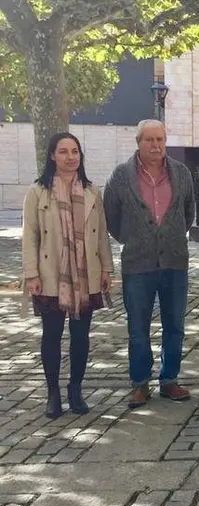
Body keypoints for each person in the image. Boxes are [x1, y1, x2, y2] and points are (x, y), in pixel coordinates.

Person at [103, 119, 195, 409]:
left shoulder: (181, 173)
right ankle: (140, 383)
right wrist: (135, 239)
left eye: (161, 140)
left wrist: (170, 237)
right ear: (138, 142)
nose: (156, 146)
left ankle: (169, 380)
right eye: (150, 140)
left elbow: (188, 212)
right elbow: (111, 219)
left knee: (175, 325)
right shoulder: (120, 176)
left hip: (174, 261)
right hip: (137, 264)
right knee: (138, 327)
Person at [21, 132, 114, 419]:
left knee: (80, 335)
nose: (70, 157)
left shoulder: (91, 191)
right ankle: (52, 393)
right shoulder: (38, 191)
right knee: (51, 334)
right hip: (51, 273)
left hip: (86, 273)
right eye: (63, 151)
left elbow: (101, 235)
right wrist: (31, 274)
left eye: (75, 151)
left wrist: (107, 268)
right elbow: (30, 236)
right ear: (52, 156)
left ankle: (75, 388)